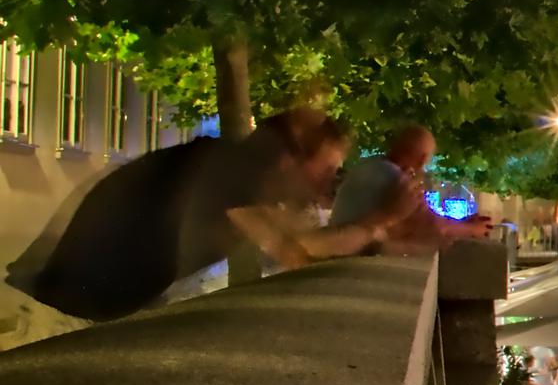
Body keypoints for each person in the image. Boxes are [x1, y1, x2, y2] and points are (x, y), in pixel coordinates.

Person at [7, 109, 388, 321]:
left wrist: (375, 229)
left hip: (70, 308)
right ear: (290, 158)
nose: (326, 183)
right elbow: (295, 255)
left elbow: (309, 243)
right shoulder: (235, 171)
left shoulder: (232, 169)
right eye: (326, 169)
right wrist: (378, 224)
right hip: (55, 318)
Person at [330, 124, 491, 252]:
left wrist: (462, 223)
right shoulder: (393, 177)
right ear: (422, 159)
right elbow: (433, 227)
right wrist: (473, 229)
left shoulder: (371, 167)